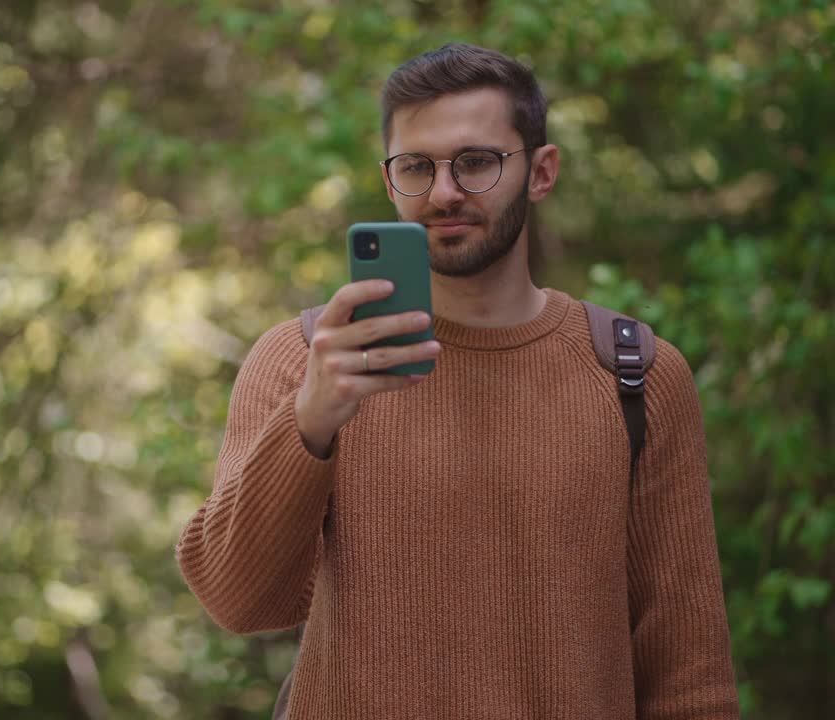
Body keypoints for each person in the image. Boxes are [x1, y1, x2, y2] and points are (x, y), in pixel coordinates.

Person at [175, 43, 740, 719]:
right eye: (417, 167)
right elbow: (240, 601)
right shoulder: (303, 360)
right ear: (389, 182)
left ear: (541, 171)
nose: (444, 193)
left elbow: (689, 674)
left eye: (476, 163)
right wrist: (311, 422)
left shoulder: (635, 375)